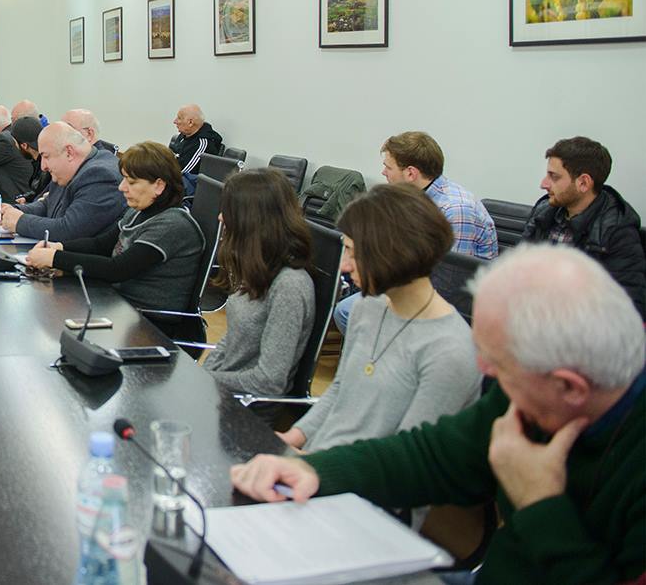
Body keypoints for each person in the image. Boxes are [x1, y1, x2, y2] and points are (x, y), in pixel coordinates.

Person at [230, 245, 646, 585]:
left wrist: (539, 502)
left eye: (499, 365)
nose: (484, 371)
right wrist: (316, 470)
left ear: (570, 387)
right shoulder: (531, 393)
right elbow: (434, 455)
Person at [278, 184, 480, 454]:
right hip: (320, 461)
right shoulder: (366, 307)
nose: (344, 265)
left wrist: (308, 466)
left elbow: (405, 458)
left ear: (392, 253)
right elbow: (340, 391)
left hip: (355, 476)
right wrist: (291, 439)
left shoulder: (450, 352)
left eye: (352, 252)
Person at [26, 142, 204, 341]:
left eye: (131, 182)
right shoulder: (139, 211)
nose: (122, 187)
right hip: (120, 306)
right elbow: (101, 245)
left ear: (159, 186)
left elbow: (117, 269)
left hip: (148, 325)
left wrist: (55, 258)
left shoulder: (172, 225)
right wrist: (59, 247)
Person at [334, 130, 500, 330]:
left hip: (450, 305)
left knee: (348, 311)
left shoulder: (456, 210)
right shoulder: (414, 199)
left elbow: (450, 284)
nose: (384, 172)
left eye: (388, 167)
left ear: (411, 173)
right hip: (416, 285)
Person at [201, 169, 316, 396]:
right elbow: (233, 338)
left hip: (247, 406)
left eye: (229, 210)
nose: (221, 217)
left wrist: (204, 379)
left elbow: (268, 381)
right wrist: (203, 374)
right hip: (223, 391)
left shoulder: (289, 286)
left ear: (251, 218)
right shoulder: (256, 266)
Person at [522, 136, 645, 319]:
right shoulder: (543, 212)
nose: (544, 184)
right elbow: (518, 272)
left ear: (583, 183)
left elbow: (628, 312)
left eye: (554, 177)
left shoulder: (617, 231)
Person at [0, 122, 127, 242]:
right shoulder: (70, 170)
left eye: (46, 156)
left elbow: (69, 230)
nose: (43, 166)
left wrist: (20, 222)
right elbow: (48, 205)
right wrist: (13, 211)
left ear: (69, 152)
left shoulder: (100, 176)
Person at [169, 104, 223, 181]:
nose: (175, 121)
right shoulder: (184, 135)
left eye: (179, 118)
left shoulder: (202, 145)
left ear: (190, 122)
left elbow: (183, 174)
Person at [9, 115, 50, 204]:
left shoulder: (46, 166)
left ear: (24, 145)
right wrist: (26, 198)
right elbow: (39, 191)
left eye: (15, 143)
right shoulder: (39, 161)